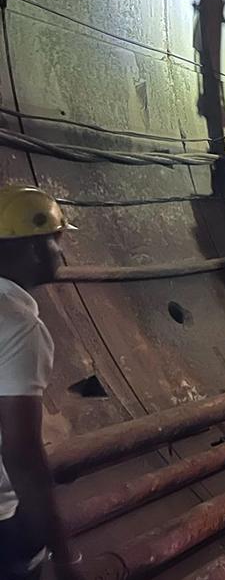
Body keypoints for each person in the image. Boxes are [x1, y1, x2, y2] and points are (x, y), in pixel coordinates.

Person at [0, 185, 83, 580]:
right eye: (56, 239)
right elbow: (21, 453)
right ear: (31, 246)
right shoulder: (18, 326)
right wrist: (65, 556)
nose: (61, 251)